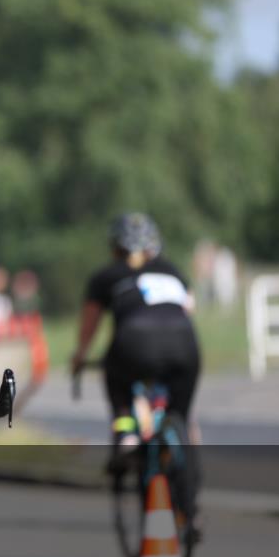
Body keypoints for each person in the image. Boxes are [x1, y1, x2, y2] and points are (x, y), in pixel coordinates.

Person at [70, 212, 201, 515]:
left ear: (116, 248)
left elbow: (89, 327)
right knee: (181, 414)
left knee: (116, 378)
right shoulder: (173, 271)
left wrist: (79, 357)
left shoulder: (106, 276)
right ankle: (190, 499)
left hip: (134, 342)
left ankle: (127, 433)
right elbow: (188, 308)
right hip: (184, 343)